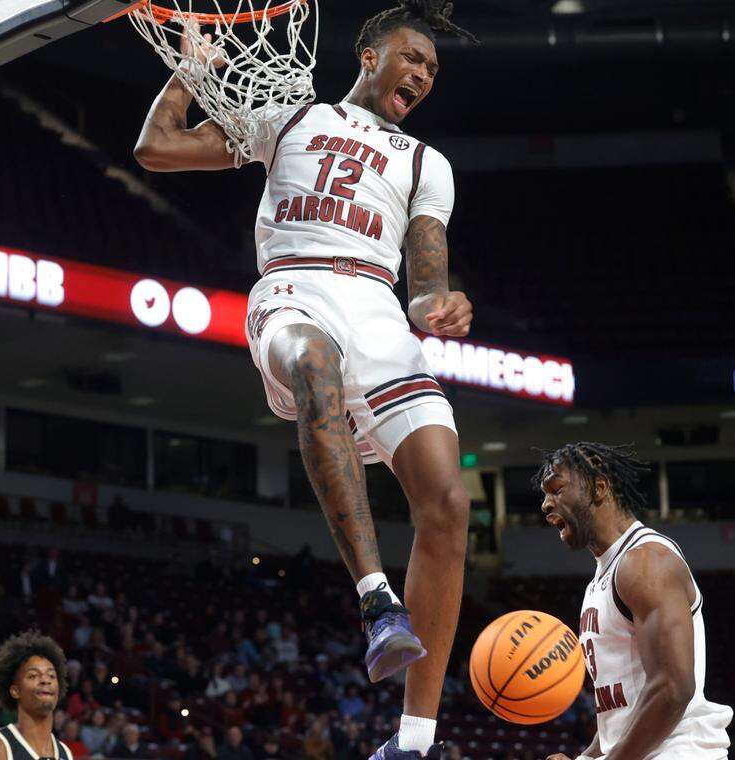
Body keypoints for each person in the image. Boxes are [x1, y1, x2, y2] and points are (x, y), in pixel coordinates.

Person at [133, 2, 478, 756]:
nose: (422, 73)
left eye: (432, 69)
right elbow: (157, 148)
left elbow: (423, 276)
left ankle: (413, 742)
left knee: (450, 503)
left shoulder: (428, 163)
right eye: (412, 57)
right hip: (294, 289)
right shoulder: (290, 119)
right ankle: (377, 602)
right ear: (368, 56)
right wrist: (189, 72)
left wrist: (438, 305)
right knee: (314, 365)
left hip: (377, 310)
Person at [536, 442, 732, 759]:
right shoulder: (600, 582)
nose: (546, 504)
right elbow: (622, 713)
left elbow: (672, 689)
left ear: (599, 487)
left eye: (556, 489)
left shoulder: (645, 561)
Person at [0, 631, 74, 760]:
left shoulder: (65, 754)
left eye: (51, 675)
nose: (46, 680)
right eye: (33, 675)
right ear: (15, 691)